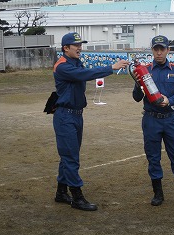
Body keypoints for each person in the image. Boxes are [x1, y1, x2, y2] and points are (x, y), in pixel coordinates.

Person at [53, 32, 129, 211]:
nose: (80, 48)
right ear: (65, 48)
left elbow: (83, 72)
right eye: (76, 45)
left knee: (68, 156)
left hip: (76, 115)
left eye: (81, 44)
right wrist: (112, 67)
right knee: (71, 158)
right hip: (65, 116)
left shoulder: (74, 62)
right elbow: (85, 74)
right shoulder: (63, 66)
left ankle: (61, 192)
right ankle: (77, 197)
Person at [132, 35, 174, 206]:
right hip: (151, 120)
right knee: (153, 157)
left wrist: (169, 101)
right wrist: (137, 83)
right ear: (152, 50)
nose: (159, 52)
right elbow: (136, 97)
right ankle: (158, 193)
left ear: (168, 50)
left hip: (170, 119)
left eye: (162, 49)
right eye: (156, 49)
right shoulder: (145, 70)